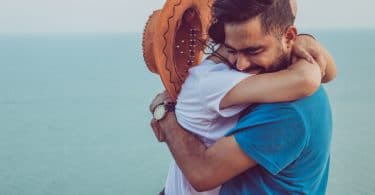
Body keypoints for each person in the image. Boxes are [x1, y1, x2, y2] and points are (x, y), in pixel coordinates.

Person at [150, 0, 335, 194]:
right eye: (230, 49)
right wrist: (305, 42)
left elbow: (203, 173)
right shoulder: (263, 84)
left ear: (289, 37)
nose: (240, 64)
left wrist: (165, 114)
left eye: (253, 51)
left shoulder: (286, 110)